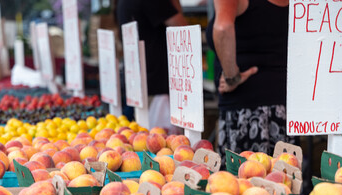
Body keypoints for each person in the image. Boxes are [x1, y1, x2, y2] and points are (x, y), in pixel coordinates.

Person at [206, 0, 298, 160]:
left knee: (242, 181)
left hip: (245, 113)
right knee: (282, 179)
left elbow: (222, 28)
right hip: (283, 108)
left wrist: (231, 77)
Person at [117, 0, 187, 133]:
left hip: (141, 82)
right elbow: (182, 29)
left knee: (145, 141)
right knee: (160, 143)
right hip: (156, 86)